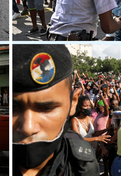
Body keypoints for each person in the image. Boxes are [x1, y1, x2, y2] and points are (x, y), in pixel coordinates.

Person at [13, 45, 99, 175]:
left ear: (73, 102)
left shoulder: (82, 166)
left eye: (46, 109)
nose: (28, 128)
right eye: (14, 108)